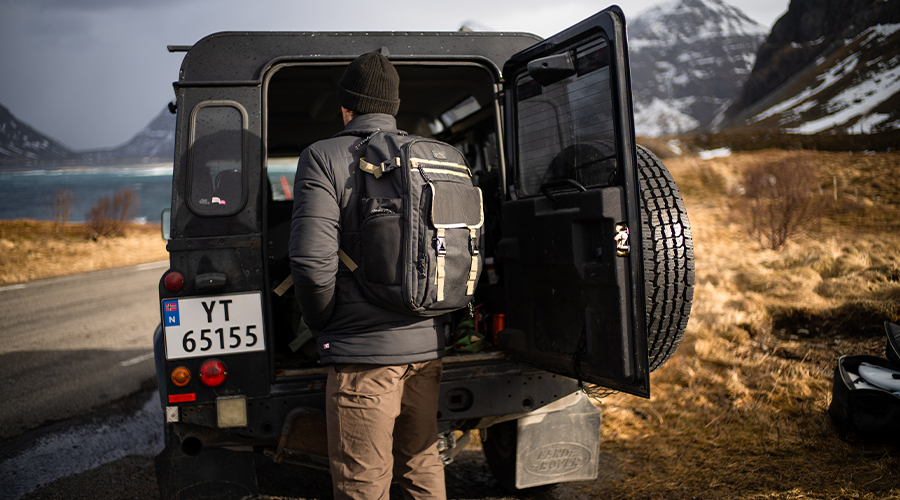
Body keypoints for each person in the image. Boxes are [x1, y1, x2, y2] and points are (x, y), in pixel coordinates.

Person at [288, 52, 447, 500]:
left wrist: (324, 323)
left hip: (364, 359)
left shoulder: (323, 156)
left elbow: (310, 259)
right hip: (428, 344)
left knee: (363, 480)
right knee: (422, 462)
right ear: (392, 107)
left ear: (346, 107)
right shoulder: (432, 157)